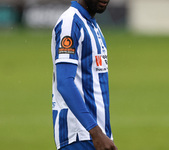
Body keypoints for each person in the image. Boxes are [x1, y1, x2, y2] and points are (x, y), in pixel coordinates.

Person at [51, 0, 117, 150]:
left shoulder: (91, 24)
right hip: (80, 134)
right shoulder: (70, 22)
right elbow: (65, 83)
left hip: (95, 134)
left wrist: (100, 132)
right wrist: (95, 131)